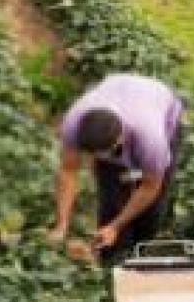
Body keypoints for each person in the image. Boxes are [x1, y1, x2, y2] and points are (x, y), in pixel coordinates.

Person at [50, 73, 184, 262]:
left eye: (105, 153)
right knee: (111, 196)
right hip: (118, 90)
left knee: (152, 208)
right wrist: (61, 225)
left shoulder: (150, 138)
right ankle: (112, 260)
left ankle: (141, 253)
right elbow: (68, 171)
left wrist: (117, 226)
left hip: (158, 101)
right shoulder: (74, 125)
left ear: (120, 139)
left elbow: (150, 186)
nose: (99, 159)